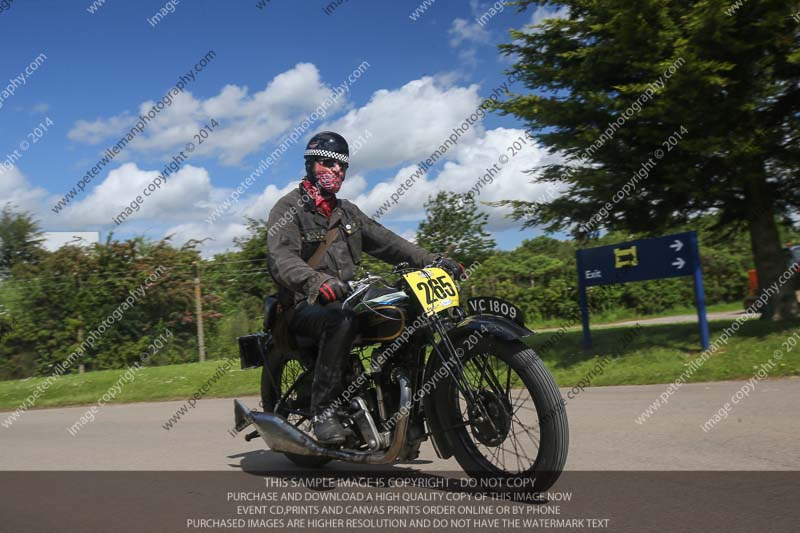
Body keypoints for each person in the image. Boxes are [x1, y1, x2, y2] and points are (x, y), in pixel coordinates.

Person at [267, 131, 462, 444]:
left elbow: (389, 242)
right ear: (311, 163)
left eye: (343, 166)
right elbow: (282, 260)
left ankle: (403, 407)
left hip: (346, 298)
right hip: (303, 304)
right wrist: (318, 280)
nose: (337, 171)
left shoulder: (348, 213)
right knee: (341, 322)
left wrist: (435, 261)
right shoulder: (287, 209)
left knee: (410, 315)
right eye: (329, 163)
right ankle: (324, 412)